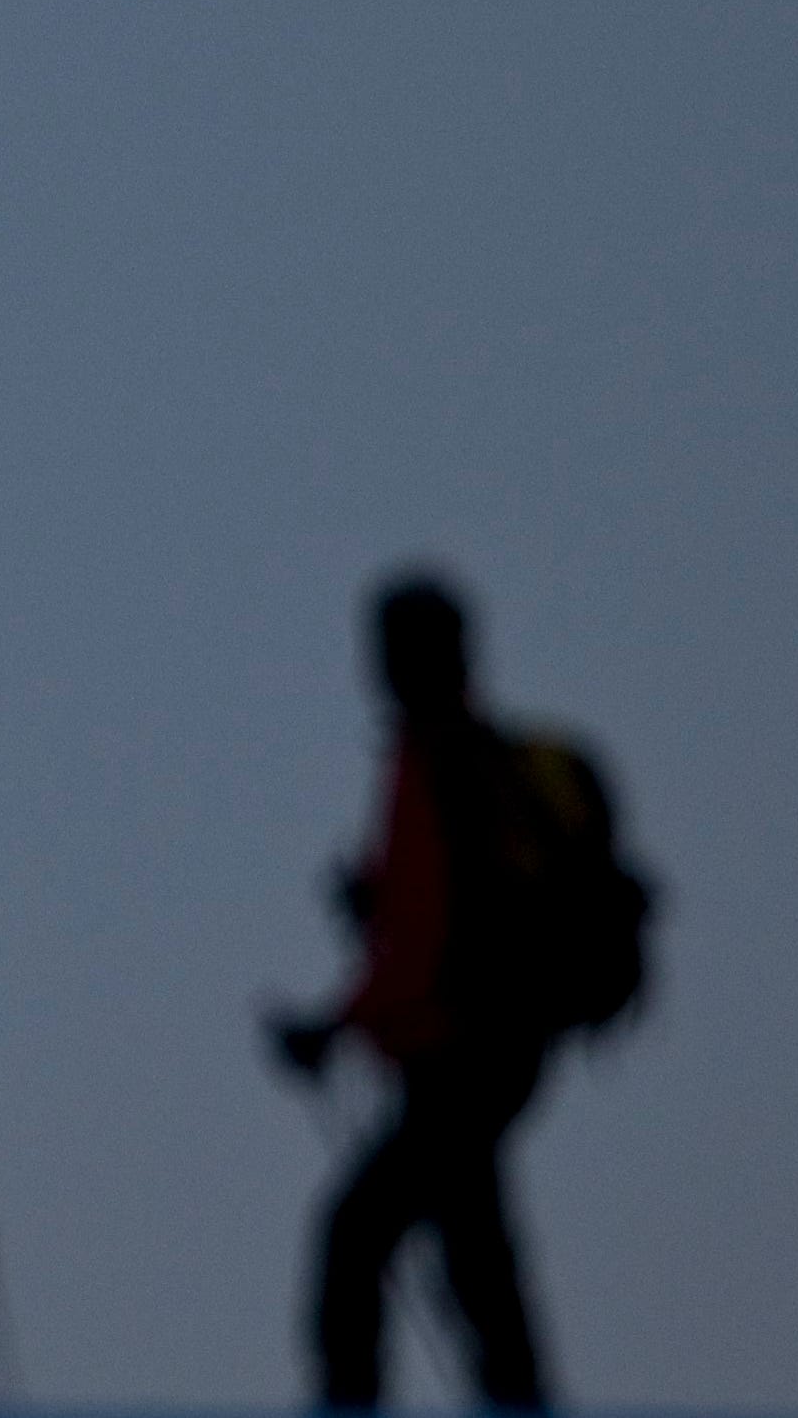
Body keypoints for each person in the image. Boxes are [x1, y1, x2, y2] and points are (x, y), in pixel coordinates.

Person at [269, 574, 653, 1411]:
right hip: (502, 1044)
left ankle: (362, 1404)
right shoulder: (471, 759)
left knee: (357, 1239)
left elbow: (416, 934)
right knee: (470, 1239)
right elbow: (427, 916)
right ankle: (517, 1397)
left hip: (457, 1045)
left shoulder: (431, 762)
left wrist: (330, 1028)